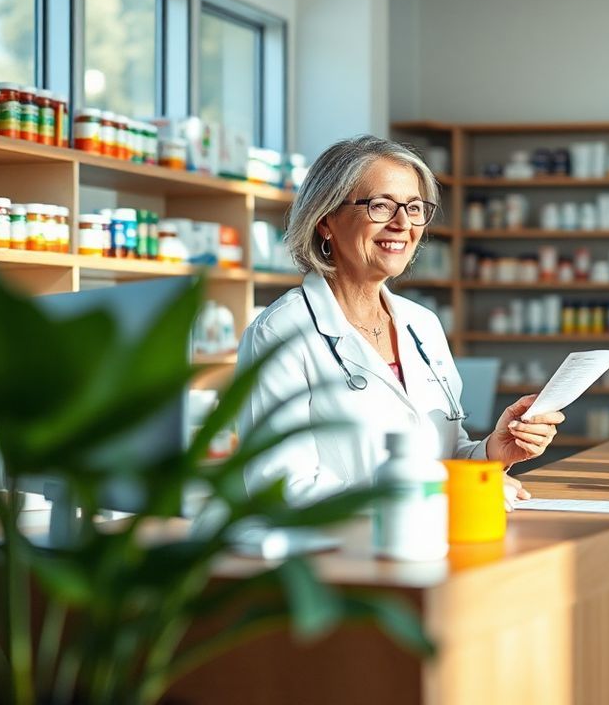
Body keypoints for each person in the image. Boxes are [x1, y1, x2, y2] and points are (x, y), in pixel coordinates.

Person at [237, 135, 564, 507]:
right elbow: (277, 491)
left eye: (413, 208)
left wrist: (492, 452)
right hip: (341, 555)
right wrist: (445, 492)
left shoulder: (421, 324)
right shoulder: (279, 333)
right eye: (380, 206)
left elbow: (445, 459)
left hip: (434, 545)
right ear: (325, 220)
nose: (402, 223)